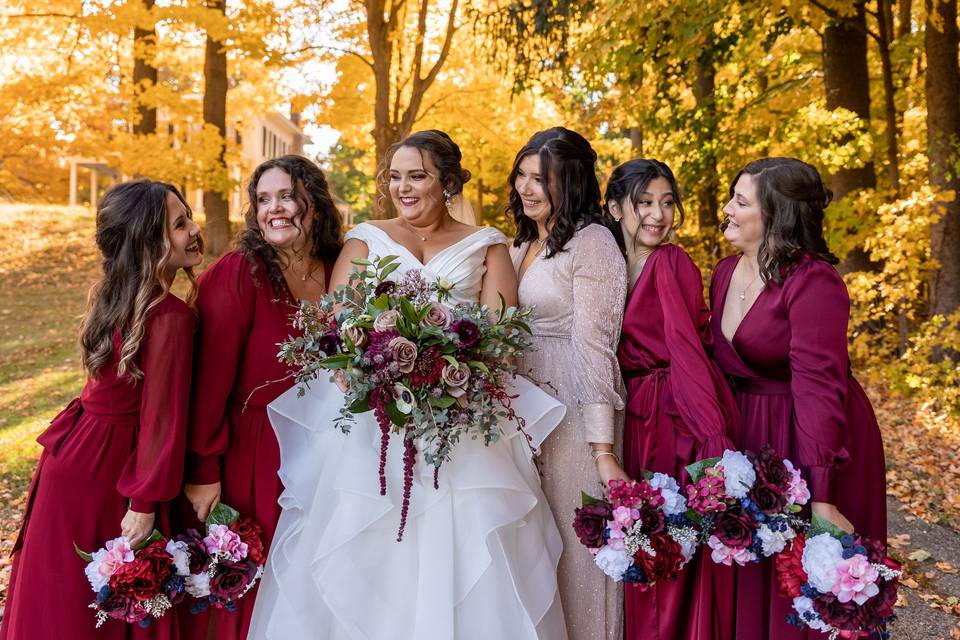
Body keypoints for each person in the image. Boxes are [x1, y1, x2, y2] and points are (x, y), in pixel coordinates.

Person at [248, 130, 568, 640]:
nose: (403, 188)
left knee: (466, 557)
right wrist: (380, 377)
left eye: (417, 175)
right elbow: (337, 335)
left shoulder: (487, 245)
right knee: (367, 558)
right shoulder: (364, 239)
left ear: (447, 181)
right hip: (372, 430)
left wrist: (442, 377)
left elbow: (501, 342)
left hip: (458, 425)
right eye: (394, 177)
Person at [0, 180, 201, 639]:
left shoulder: (113, 294)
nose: (193, 230)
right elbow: (161, 418)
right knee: (107, 604)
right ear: (149, 243)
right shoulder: (169, 316)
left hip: (71, 458)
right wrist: (145, 502)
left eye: (187, 217)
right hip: (110, 472)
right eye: (179, 224)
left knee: (65, 597)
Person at [710, 157, 886, 639]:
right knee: (747, 571)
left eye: (740, 202)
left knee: (803, 579)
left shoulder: (814, 282)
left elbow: (819, 386)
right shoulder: (724, 273)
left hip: (808, 435)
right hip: (747, 434)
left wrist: (823, 492)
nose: (726, 209)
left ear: (777, 215)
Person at [180, 156, 342, 639]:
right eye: (263, 199)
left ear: (314, 201)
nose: (275, 209)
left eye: (287, 196)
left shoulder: (338, 267)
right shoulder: (240, 272)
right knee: (253, 584)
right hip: (252, 452)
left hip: (326, 452)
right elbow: (206, 384)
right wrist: (202, 472)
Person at [607, 159, 737, 640]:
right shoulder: (607, 263)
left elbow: (687, 351)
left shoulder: (674, 261)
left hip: (674, 412)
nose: (658, 215)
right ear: (617, 207)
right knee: (632, 538)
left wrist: (712, 439)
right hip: (629, 412)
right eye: (644, 203)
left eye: (666, 203)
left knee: (666, 537)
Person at [507, 127, 627, 640]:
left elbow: (596, 345)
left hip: (571, 409)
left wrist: (602, 448)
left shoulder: (593, 242)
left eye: (541, 180)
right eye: (523, 176)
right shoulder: (521, 242)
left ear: (572, 185)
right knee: (529, 549)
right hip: (517, 409)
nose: (526, 188)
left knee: (576, 552)